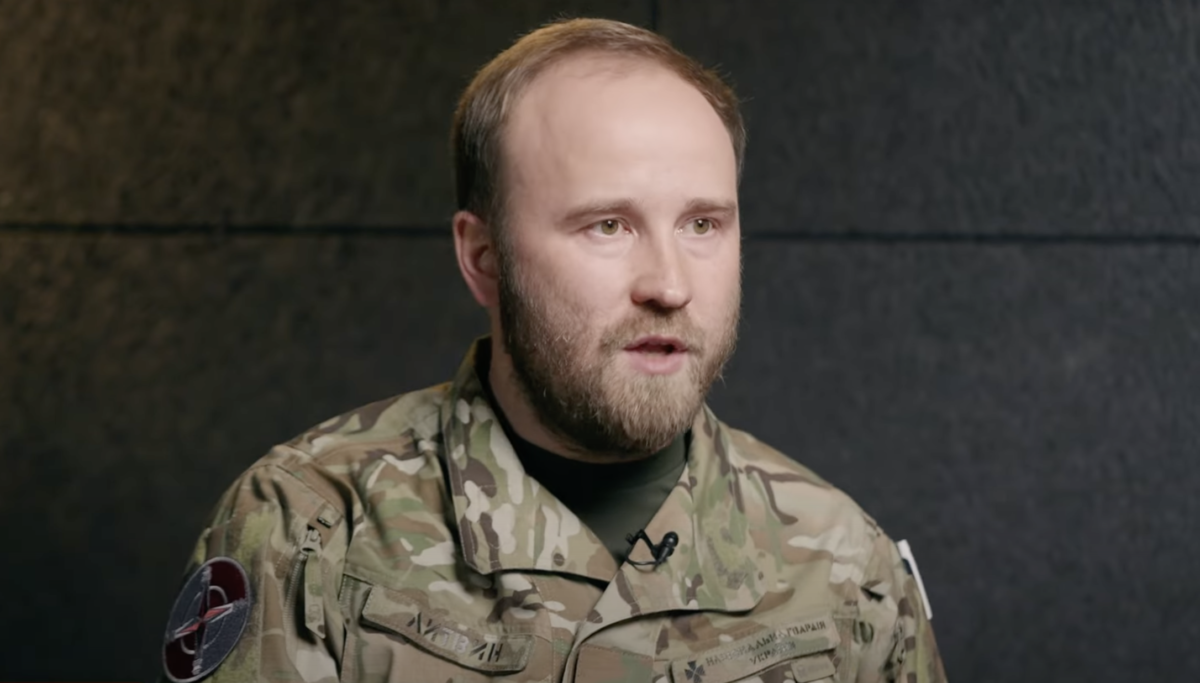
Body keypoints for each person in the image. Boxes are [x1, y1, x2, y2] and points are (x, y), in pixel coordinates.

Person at [159, 17, 947, 683]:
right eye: (608, 225)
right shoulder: (310, 531)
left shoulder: (847, 566)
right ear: (483, 257)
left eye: (703, 224)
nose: (670, 284)